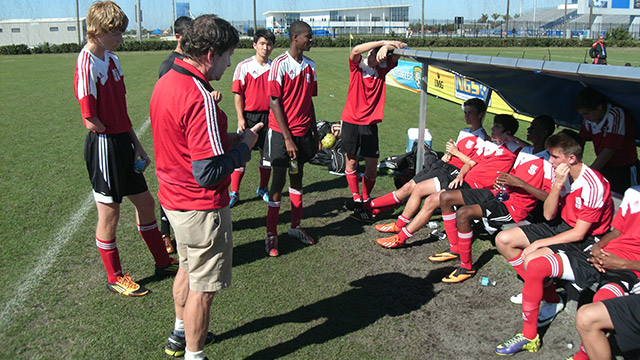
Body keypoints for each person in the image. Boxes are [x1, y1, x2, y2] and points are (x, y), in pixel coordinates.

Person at [150, 14, 261, 360]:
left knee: (186, 267)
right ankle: (194, 355)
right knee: (203, 289)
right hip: (200, 208)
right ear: (211, 53)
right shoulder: (199, 96)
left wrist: (233, 139)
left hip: (173, 201)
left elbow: (190, 143)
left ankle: (180, 333)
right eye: (228, 56)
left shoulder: (166, 80)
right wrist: (244, 149)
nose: (229, 64)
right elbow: (208, 171)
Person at [73, 0, 178, 297]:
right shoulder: (86, 62)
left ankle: (162, 262)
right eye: (116, 32)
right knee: (110, 213)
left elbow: (121, 111)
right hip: (104, 145)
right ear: (97, 30)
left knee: (145, 203)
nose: (121, 38)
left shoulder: (113, 60)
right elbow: (90, 120)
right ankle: (115, 276)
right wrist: (114, 137)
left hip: (121, 141)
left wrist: (135, 145)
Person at [494, 130, 613, 356]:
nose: (549, 160)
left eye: (554, 157)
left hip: (587, 240)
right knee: (504, 240)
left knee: (534, 260)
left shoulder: (593, 184)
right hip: (562, 226)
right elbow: (549, 215)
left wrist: (539, 244)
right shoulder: (562, 175)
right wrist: (557, 185)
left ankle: (530, 334)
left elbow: (579, 233)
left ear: (571, 158)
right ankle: (551, 298)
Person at [434, 115, 556, 283]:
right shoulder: (527, 151)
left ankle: (466, 267)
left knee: (464, 214)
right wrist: (503, 183)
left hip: (515, 209)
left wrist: (519, 184)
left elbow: (549, 197)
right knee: (446, 197)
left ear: (544, 132)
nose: (528, 129)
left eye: (533, 127)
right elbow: (513, 173)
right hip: (500, 197)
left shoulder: (549, 162)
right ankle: (455, 249)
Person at [376, 114, 522, 249]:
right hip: (461, 177)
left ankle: (400, 236)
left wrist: (512, 139)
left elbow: (533, 149)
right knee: (419, 189)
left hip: (475, 186)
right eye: (494, 125)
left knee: (431, 199)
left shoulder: (514, 148)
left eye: (497, 127)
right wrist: (460, 175)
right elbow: (471, 163)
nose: (492, 128)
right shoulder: (489, 145)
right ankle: (399, 227)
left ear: (507, 132)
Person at [351, 98, 489, 222]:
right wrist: (449, 155)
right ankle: (372, 211)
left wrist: (456, 153)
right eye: (466, 112)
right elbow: (457, 153)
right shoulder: (464, 131)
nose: (467, 116)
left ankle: (366, 207)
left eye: (470, 113)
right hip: (442, 165)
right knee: (408, 187)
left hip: (452, 173)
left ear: (480, 114)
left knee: (410, 189)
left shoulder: (483, 139)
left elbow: (475, 164)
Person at [263, 21, 319, 257]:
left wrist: (314, 132)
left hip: (303, 134)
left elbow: (309, 101)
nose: (311, 40)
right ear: (295, 37)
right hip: (281, 135)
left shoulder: (310, 66)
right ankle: (271, 235)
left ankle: (295, 227)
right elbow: (274, 101)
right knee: (278, 182)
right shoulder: (279, 64)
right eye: (308, 36)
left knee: (297, 178)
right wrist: (287, 138)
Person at [569, 186, 640, 360]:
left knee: (600, 301)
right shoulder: (633, 193)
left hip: (630, 267)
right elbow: (617, 232)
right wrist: (598, 247)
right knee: (539, 264)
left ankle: (583, 355)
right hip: (609, 256)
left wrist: (622, 264)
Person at [340, 39, 406, 211]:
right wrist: (382, 41)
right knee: (352, 161)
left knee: (371, 166)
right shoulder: (357, 67)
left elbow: (404, 47)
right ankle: (356, 196)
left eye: (379, 56)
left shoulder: (383, 69)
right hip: (351, 120)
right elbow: (355, 50)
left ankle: (366, 196)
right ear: (369, 53)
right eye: (373, 54)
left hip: (369, 124)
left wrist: (387, 47)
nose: (375, 59)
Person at [229, 29, 276, 207]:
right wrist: (240, 118)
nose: (266, 47)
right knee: (241, 155)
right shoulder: (244, 66)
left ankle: (262, 188)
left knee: (267, 156)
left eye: (269, 44)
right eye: (262, 43)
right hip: (248, 116)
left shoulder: (274, 67)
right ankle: (234, 192)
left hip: (269, 117)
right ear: (254, 45)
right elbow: (238, 94)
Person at [575, 87, 638, 195]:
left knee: (626, 202)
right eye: (583, 115)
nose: (585, 118)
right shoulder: (590, 120)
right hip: (606, 167)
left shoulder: (615, 115)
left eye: (587, 114)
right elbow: (579, 141)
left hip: (624, 170)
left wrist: (589, 173)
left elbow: (610, 149)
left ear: (599, 107)